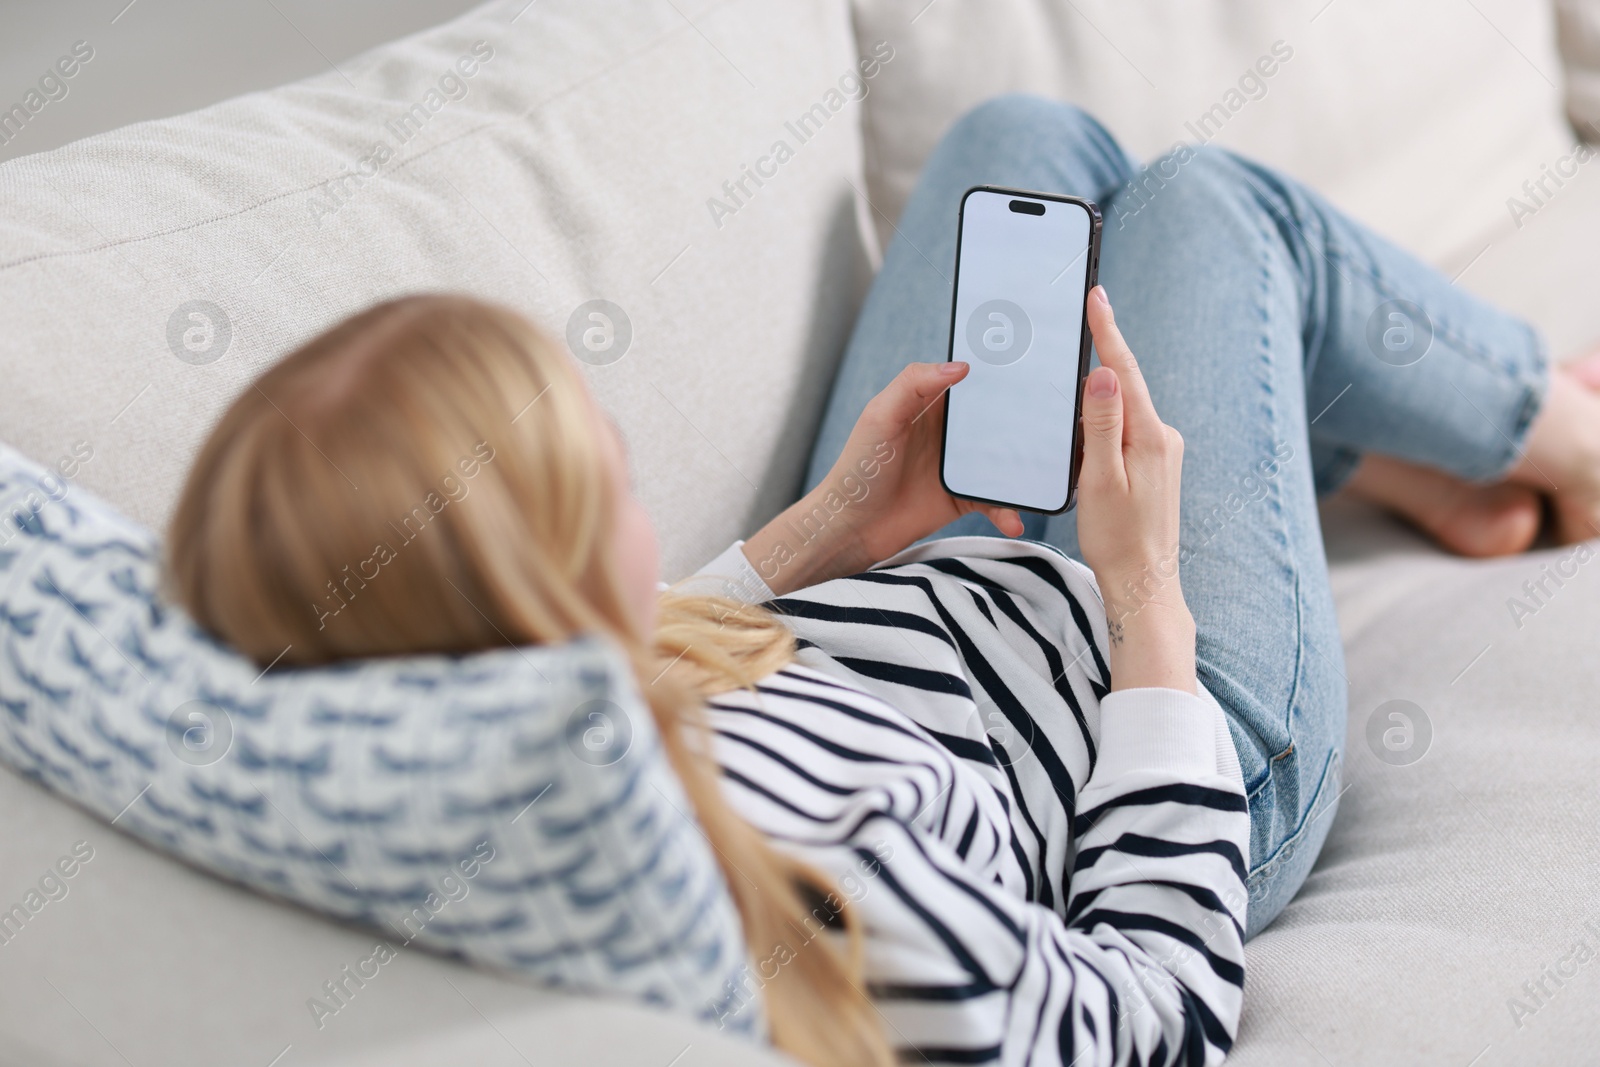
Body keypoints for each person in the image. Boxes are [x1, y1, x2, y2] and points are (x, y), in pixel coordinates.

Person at [164, 96, 1599, 1066]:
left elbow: (659, 671)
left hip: (920, 579)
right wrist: (1148, 593)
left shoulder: (487, 725)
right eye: (598, 476)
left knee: (1021, 142)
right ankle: (1559, 435)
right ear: (543, 597)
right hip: (1166, 731)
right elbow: (1148, 1017)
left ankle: (1354, 443)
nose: (622, 451)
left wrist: (837, 527)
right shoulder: (827, 888)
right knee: (1209, 206)